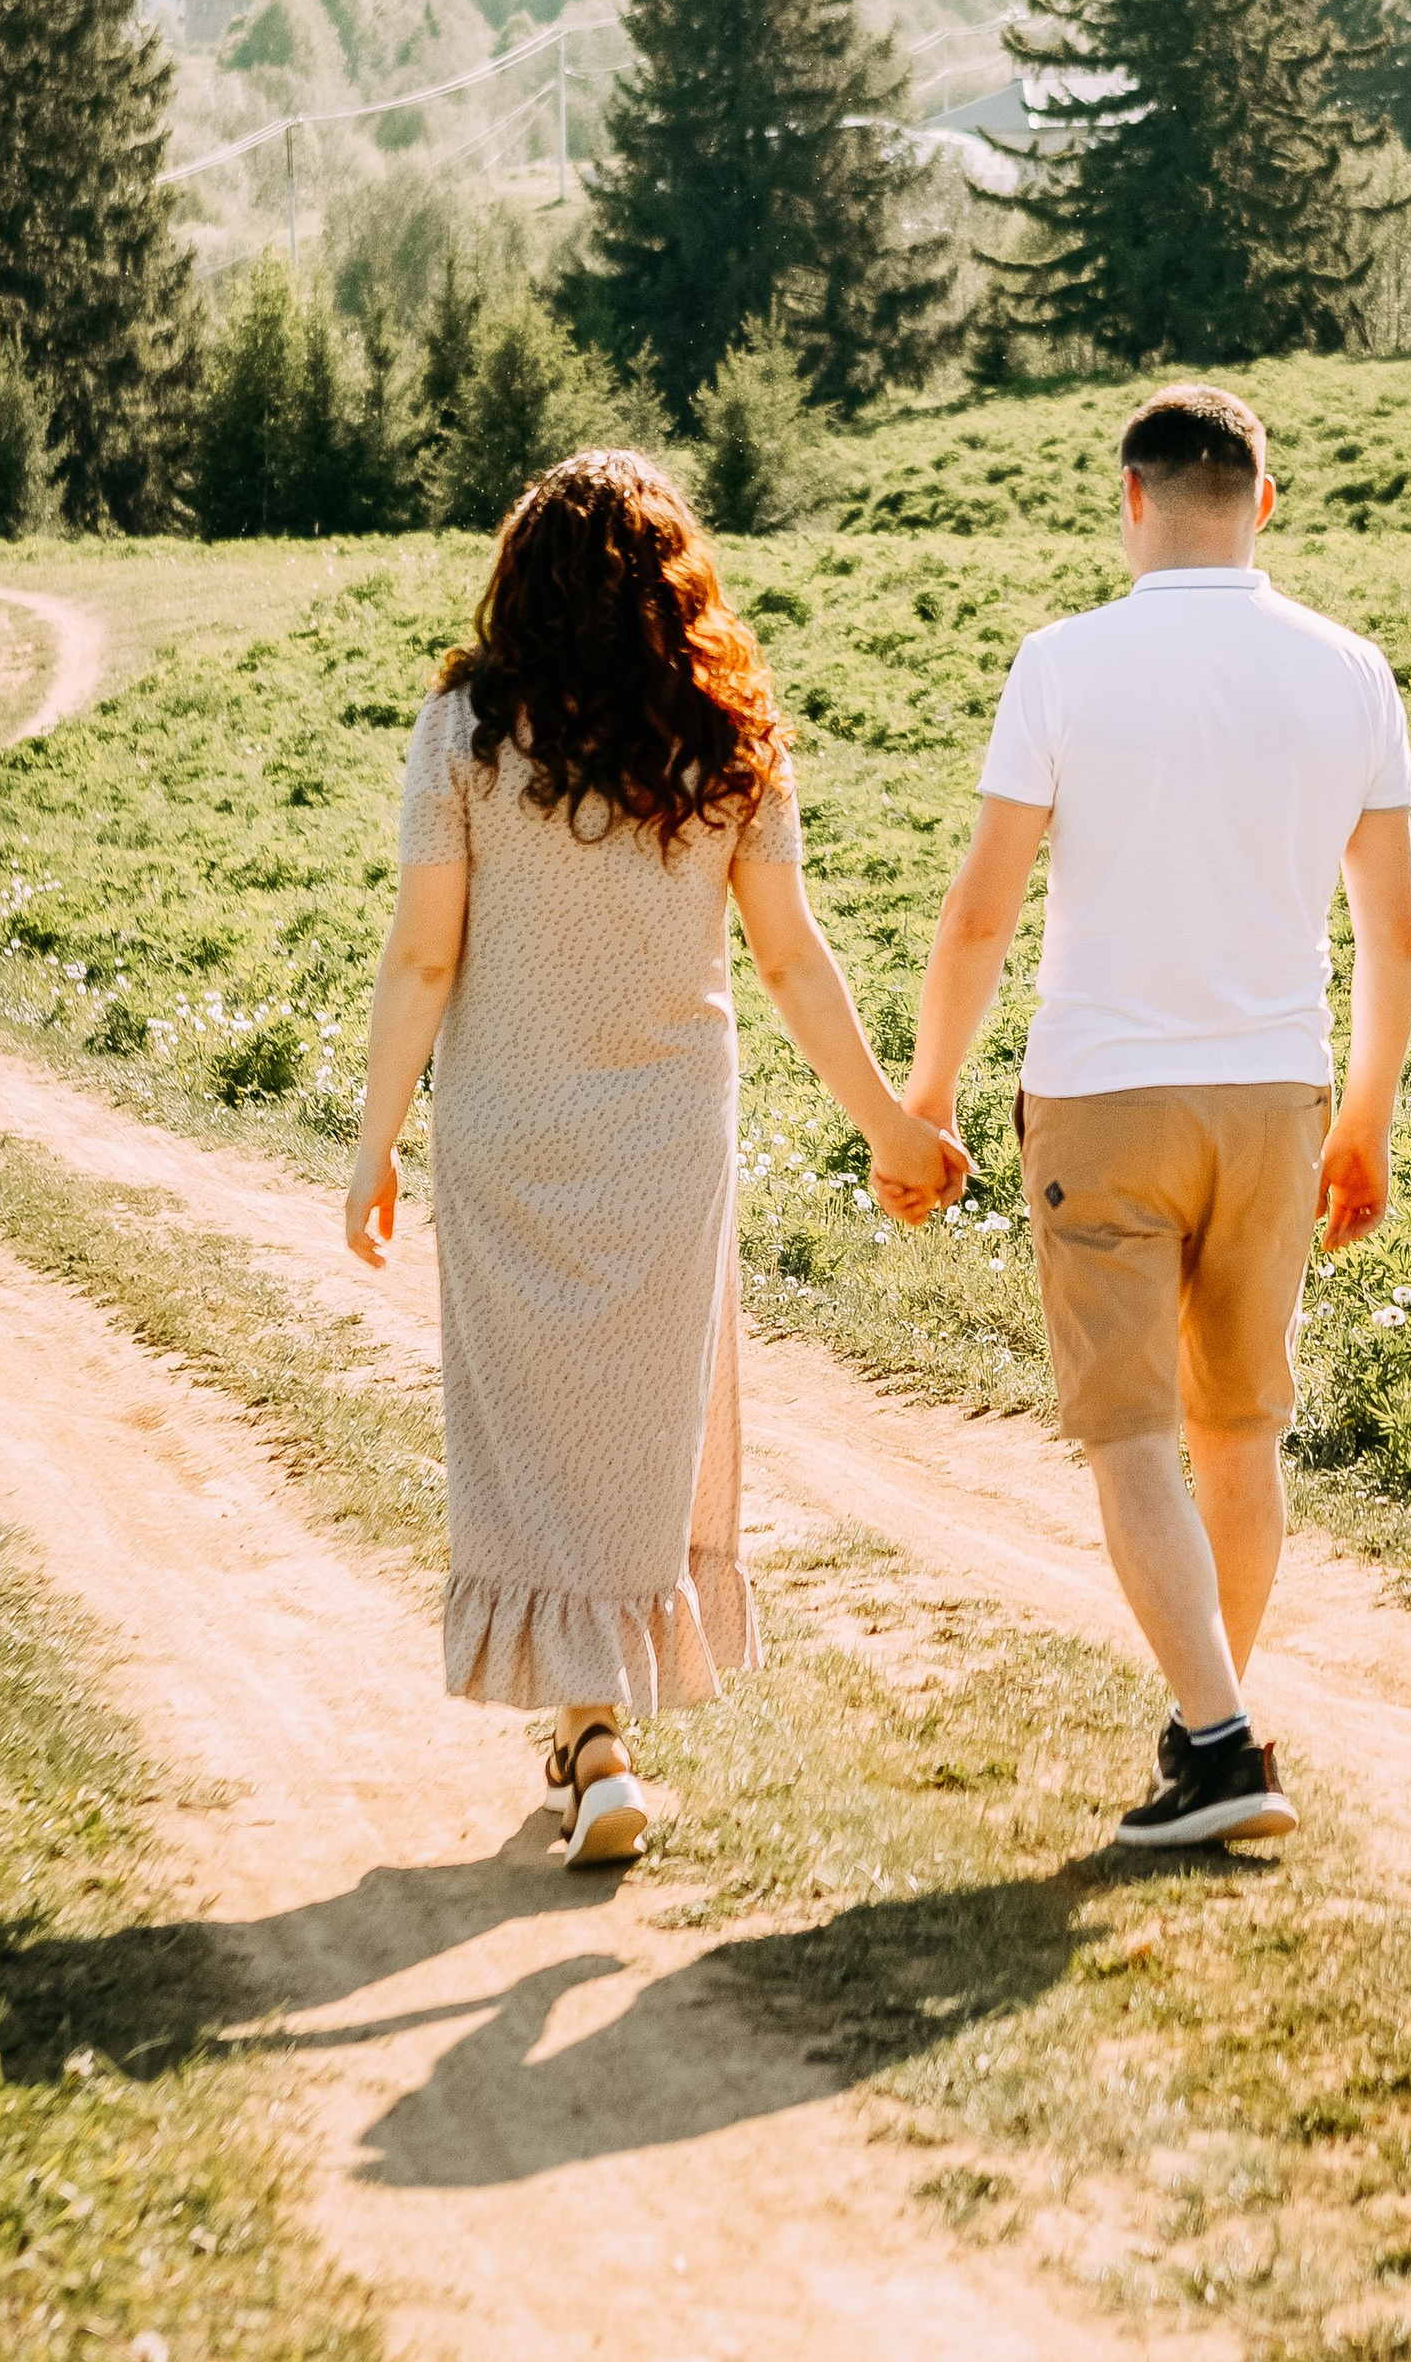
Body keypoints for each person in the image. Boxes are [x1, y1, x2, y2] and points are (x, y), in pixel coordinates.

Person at [345, 448, 966, 1867]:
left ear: (522, 579)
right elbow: (793, 961)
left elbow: (424, 953)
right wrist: (890, 1126)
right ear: (679, 587)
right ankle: (597, 1728)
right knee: (638, 1412)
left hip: (507, 1123)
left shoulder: (465, 727)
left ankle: (589, 1728)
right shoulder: (731, 733)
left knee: (530, 1422)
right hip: (665, 1134)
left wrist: (372, 1143)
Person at [902, 380, 1411, 1850]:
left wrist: (928, 1094)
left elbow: (981, 911)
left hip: (1103, 1095)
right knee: (1238, 1430)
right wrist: (1365, 1121)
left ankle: (1218, 1742)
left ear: (1129, 500)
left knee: (1129, 1432)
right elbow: (1396, 936)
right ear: (1264, 501)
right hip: (1277, 1096)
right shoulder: (1350, 670)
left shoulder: (1062, 664)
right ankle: (1221, 1730)